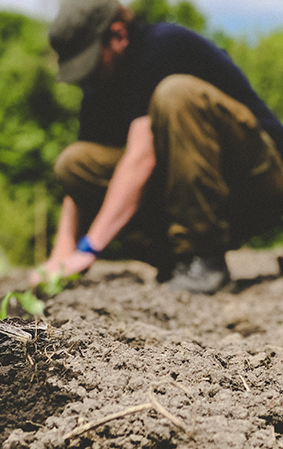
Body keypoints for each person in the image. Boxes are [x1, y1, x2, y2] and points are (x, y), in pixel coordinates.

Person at [35, 0, 283, 293]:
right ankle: (176, 259)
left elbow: (141, 159)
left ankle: (202, 257)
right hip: (196, 195)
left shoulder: (164, 46)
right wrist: (61, 256)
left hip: (261, 181)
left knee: (175, 94)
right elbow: (76, 189)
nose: (85, 74)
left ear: (118, 35)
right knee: (74, 163)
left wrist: (89, 247)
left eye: (89, 59)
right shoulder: (101, 85)